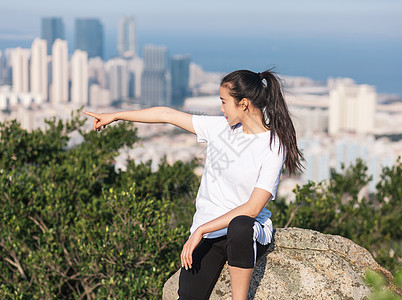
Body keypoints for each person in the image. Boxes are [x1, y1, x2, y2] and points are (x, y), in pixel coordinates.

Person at [83, 69, 303, 300]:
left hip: (242, 236)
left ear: (244, 104)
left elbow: (252, 209)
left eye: (224, 102)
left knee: (240, 225)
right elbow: (166, 114)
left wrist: (200, 230)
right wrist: (116, 116)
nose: (221, 108)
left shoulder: (273, 146)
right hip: (209, 233)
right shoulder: (220, 129)